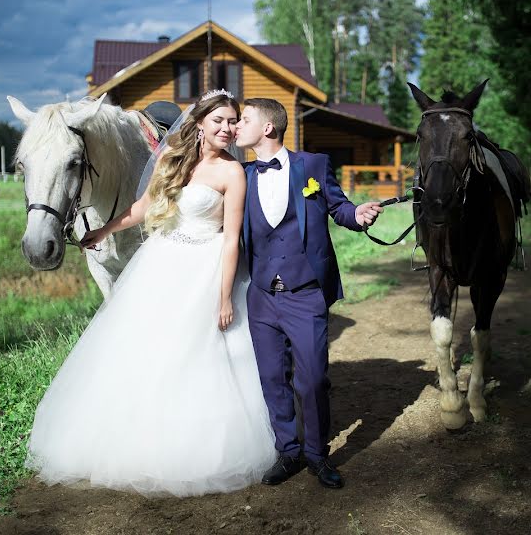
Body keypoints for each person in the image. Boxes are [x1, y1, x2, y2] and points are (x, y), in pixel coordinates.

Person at [24, 91, 277, 497]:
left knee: (200, 354)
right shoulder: (173, 158)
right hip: (163, 261)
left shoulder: (233, 174)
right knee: (146, 348)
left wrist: (226, 295)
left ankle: (191, 443)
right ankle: (134, 434)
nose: (228, 130)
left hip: (207, 267)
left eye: (233, 122)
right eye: (220, 122)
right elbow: (143, 206)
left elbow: (232, 240)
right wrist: (104, 231)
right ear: (199, 124)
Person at [234, 98, 382, 489]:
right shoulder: (240, 175)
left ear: (268, 127)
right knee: (272, 378)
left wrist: (358, 216)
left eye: (244, 119)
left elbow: (339, 207)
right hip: (262, 295)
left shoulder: (312, 166)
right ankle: (288, 452)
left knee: (314, 379)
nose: (236, 126)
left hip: (305, 293)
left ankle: (317, 455)